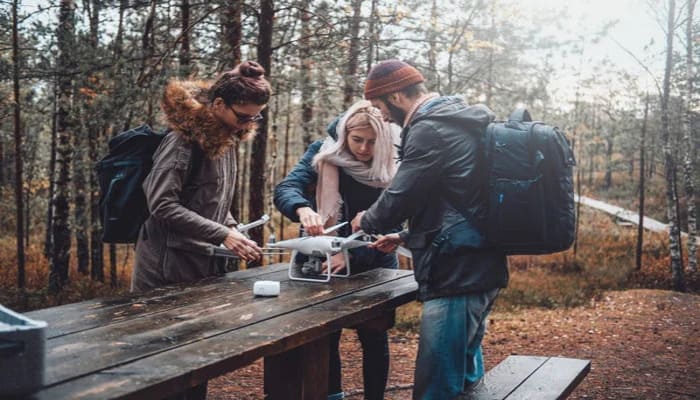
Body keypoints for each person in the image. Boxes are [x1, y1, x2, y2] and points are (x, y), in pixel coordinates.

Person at [350, 59, 509, 400]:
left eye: (379, 106)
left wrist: (367, 220)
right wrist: (406, 236)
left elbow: (401, 195)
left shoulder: (430, 128)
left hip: (456, 270)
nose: (382, 115)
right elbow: (456, 198)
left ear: (395, 95)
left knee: (436, 385)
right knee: (466, 376)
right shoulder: (455, 121)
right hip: (478, 262)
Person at [273, 100, 401, 400]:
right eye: (357, 140)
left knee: (374, 337)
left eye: (372, 142)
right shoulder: (324, 152)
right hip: (325, 260)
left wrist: (378, 221)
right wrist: (302, 208)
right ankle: (333, 395)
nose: (364, 149)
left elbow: (405, 205)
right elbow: (286, 188)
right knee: (326, 337)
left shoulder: (393, 160)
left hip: (375, 260)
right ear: (345, 134)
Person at [132, 61, 270, 294]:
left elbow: (209, 197)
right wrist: (222, 234)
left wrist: (231, 228)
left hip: (202, 262)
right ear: (218, 104)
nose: (248, 124)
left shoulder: (226, 139)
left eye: (255, 118)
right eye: (243, 117)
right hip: (166, 268)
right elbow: (162, 205)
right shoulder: (181, 143)